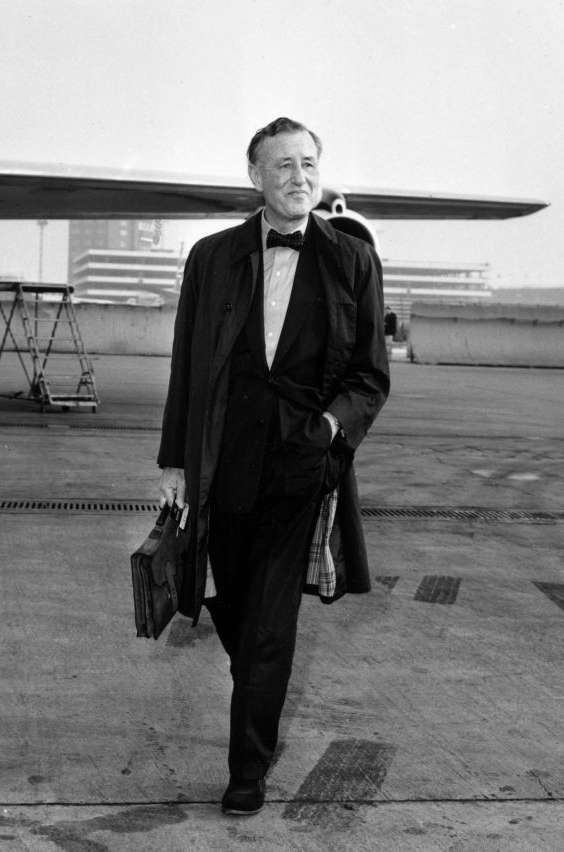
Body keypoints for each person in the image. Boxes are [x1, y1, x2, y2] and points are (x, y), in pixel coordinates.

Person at [157, 117, 390, 816]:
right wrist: (173, 461)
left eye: (309, 164)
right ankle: (258, 677)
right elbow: (186, 366)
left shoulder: (352, 259)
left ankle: (246, 770)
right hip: (223, 457)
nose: (299, 178)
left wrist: (327, 427)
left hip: (300, 462)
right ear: (254, 176)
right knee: (237, 606)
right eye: (282, 166)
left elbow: (369, 377)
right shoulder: (211, 257)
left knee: (268, 625)